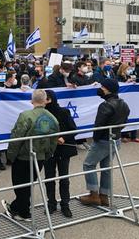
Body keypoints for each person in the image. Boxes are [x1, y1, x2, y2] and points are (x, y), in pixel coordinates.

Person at [1, 89, 59, 221]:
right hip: (40, 156)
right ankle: (21, 209)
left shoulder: (25, 115)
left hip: (23, 156)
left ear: (32, 101)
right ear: (45, 101)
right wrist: (48, 154)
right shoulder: (52, 118)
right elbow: (53, 140)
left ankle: (23, 212)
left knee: (20, 184)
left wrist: (11, 156)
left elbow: (17, 137)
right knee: (29, 182)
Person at [80, 79, 130, 206]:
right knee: (106, 168)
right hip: (116, 139)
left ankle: (94, 195)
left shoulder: (106, 105)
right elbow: (125, 122)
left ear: (107, 89)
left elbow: (99, 126)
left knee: (88, 164)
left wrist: (96, 140)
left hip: (103, 140)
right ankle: (104, 195)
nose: (100, 88)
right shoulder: (124, 104)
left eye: (102, 86)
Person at [43, 90, 77, 218]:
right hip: (48, 151)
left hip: (63, 150)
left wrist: (64, 138)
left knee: (64, 178)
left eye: (43, 99)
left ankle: (65, 204)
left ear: (49, 99)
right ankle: (51, 204)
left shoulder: (64, 112)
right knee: (49, 178)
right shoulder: (42, 114)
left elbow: (73, 129)